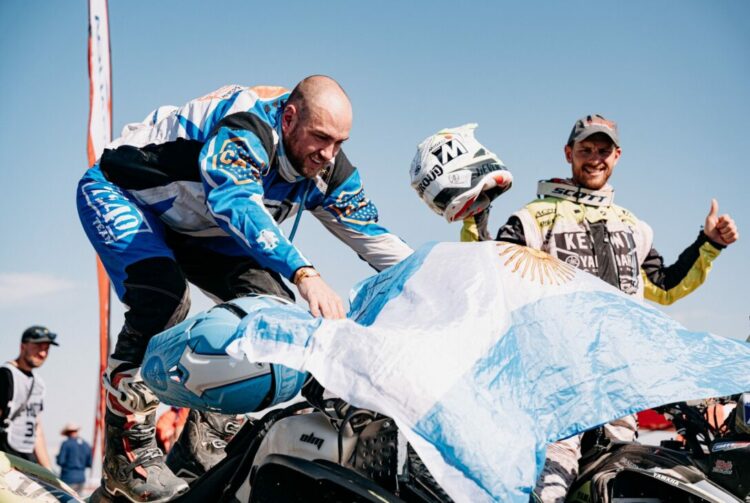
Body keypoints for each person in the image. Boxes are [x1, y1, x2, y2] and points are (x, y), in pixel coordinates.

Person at [77, 75, 413, 502]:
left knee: (273, 316)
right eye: (320, 138)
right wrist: (306, 273)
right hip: (125, 193)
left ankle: (201, 448)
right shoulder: (248, 127)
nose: (327, 155)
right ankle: (127, 455)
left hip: (202, 228)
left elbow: (378, 241)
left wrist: (438, 284)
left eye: (339, 142)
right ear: (289, 118)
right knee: (163, 298)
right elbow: (234, 202)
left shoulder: (329, 169)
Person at [459, 114, 739, 502]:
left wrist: (708, 243)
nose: (595, 158)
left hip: (619, 394)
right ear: (568, 154)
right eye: (585, 149)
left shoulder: (632, 226)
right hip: (558, 390)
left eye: (603, 150)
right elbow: (491, 272)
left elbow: (664, 286)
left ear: (617, 155)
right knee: (549, 490)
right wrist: (474, 218)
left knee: (619, 490)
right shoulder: (534, 216)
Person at [0, 326, 56, 470]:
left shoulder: (39, 384)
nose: (43, 353)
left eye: (47, 349)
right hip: (6, 459)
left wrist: (48, 471)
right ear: (23, 346)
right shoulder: (6, 375)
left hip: (27, 460)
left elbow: (36, 428)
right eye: (38, 347)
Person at [56, 422, 92, 494]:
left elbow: (61, 461)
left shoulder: (66, 444)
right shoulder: (86, 444)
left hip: (68, 478)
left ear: (67, 433)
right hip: (81, 478)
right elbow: (89, 463)